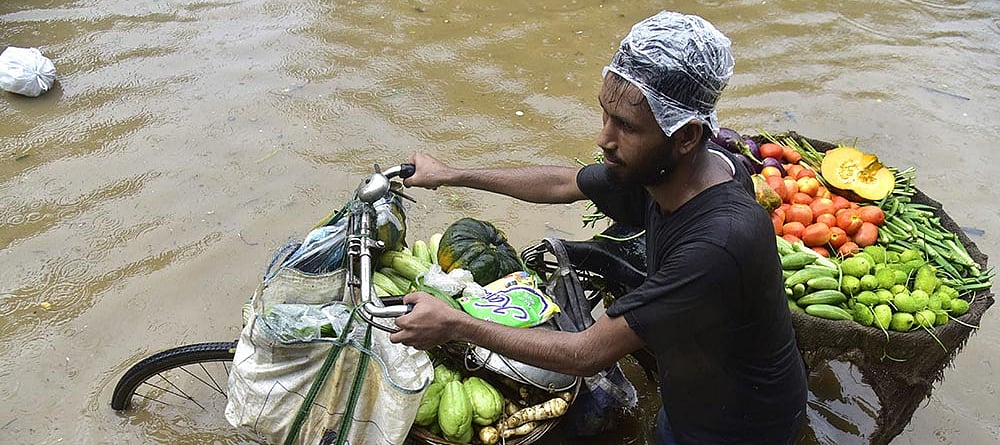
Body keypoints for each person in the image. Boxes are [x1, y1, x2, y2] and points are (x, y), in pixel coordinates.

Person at [389, 10, 807, 445]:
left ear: (685, 135)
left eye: (625, 126)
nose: (603, 139)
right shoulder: (680, 171)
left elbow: (585, 352)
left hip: (738, 427)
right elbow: (565, 182)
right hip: (693, 390)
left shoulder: (718, 244)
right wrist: (452, 174)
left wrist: (455, 324)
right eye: (606, 115)